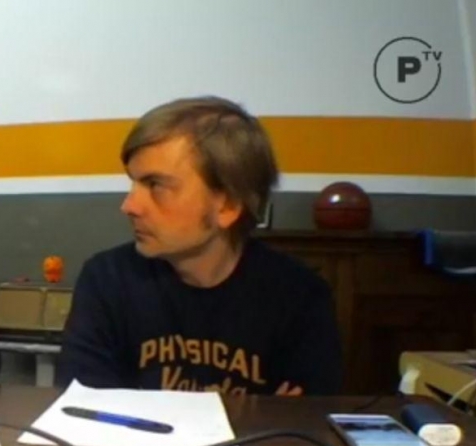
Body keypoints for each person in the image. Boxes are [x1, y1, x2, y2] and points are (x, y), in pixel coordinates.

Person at [56, 96, 341, 396]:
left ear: (228, 206)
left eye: (156, 185)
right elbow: (86, 407)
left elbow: (301, 418)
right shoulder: (106, 280)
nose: (129, 206)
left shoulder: (299, 296)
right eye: (134, 183)